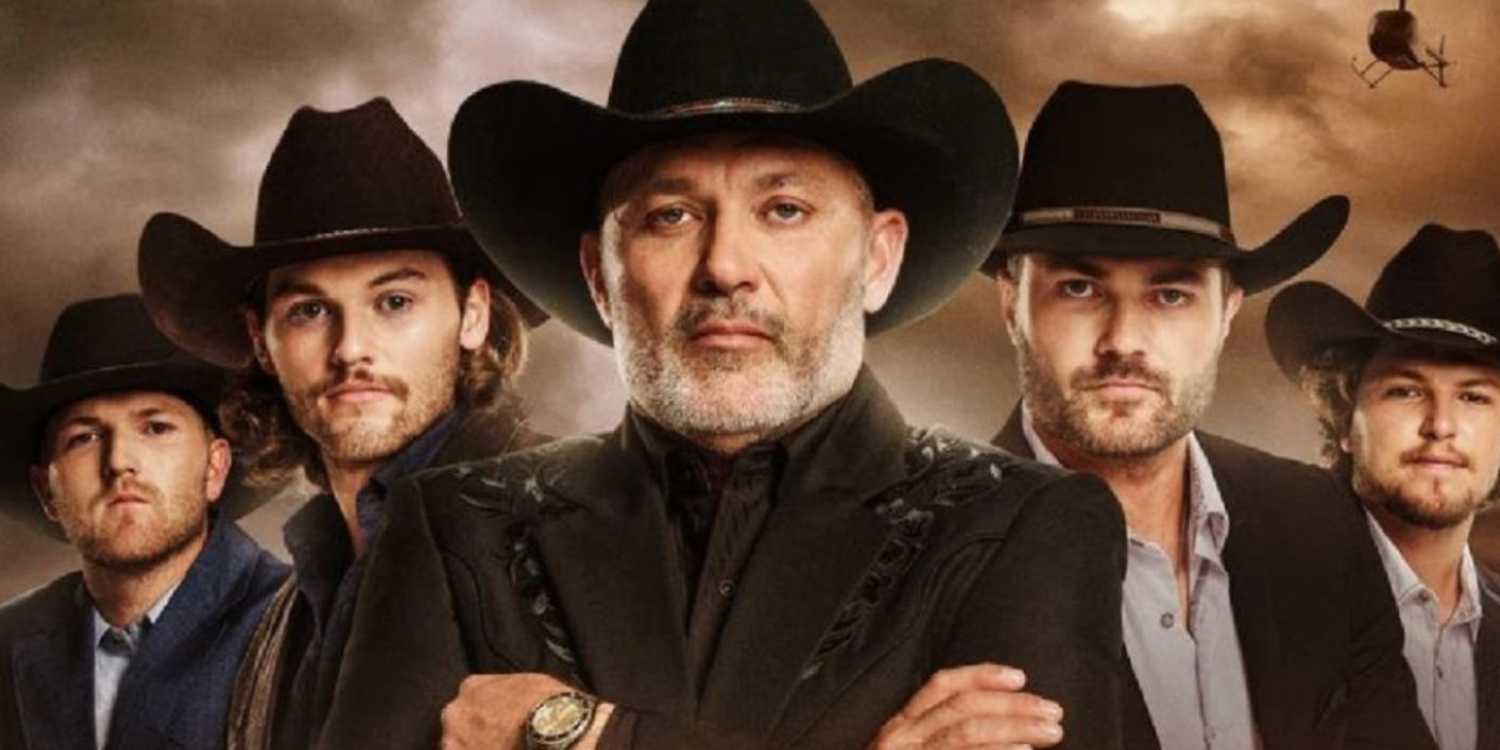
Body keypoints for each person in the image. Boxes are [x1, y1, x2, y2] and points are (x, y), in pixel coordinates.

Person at [323, 1, 1128, 748]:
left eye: (783, 210)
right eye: (670, 216)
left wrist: (580, 733)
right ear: (599, 275)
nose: (725, 266)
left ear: (878, 259)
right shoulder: (455, 524)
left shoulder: (1023, 522)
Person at [987, 80, 1435, 749]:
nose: (1124, 340)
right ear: (1011, 301)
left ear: (1227, 312)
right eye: (1078, 288)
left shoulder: (1320, 524)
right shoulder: (928, 558)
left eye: (1170, 295)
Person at [135, 97, 547, 749]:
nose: (352, 346)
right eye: (308, 312)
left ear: (473, 315)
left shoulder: (574, 522)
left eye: (394, 301)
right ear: (261, 341)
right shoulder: (285, 611)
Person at [0, 294, 287, 749]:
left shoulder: (302, 624)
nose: (119, 463)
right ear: (45, 491)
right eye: (85, 438)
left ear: (215, 468)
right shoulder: (10, 638)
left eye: (156, 428)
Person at [1266, 223, 1500, 750]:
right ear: (1346, 417)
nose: (1440, 424)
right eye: (1406, 391)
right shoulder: (1257, 603)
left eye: (1474, 397)